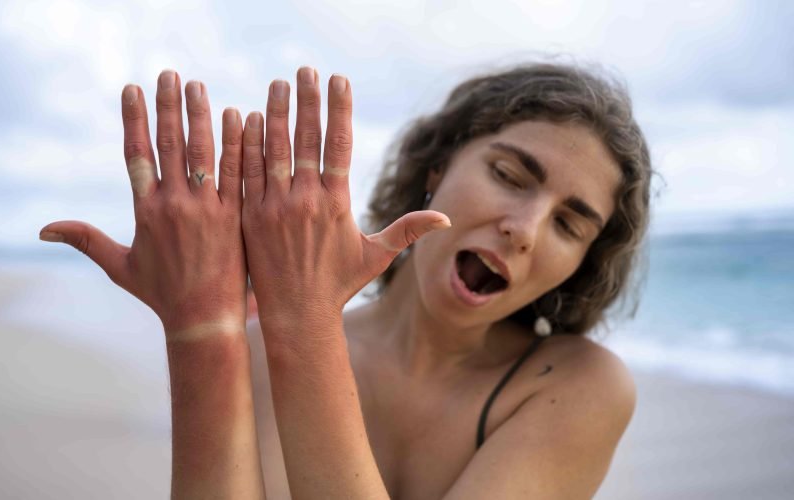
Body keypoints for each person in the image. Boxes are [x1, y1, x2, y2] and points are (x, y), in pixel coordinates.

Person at [41, 60, 652, 499]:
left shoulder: (576, 387)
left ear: (583, 263)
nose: (525, 228)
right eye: (510, 175)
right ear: (438, 167)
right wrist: (199, 330)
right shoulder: (255, 354)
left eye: (570, 225)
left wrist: (302, 320)